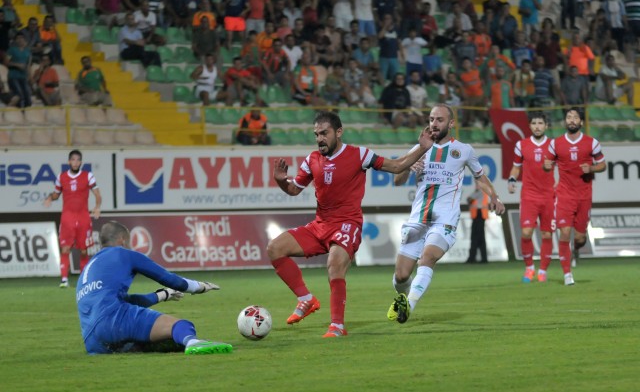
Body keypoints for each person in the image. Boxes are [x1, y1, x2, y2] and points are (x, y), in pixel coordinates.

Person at [268, 111, 434, 337]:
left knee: (334, 263)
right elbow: (294, 190)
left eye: (324, 133)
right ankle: (306, 299)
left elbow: (396, 167)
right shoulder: (312, 160)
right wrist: (280, 181)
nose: (319, 139)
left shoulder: (360, 155)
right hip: (320, 225)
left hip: (347, 224)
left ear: (338, 132)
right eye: (316, 134)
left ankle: (337, 326)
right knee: (274, 248)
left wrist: (423, 147)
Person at [387, 103, 505, 324]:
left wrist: (495, 197)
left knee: (428, 257)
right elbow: (396, 179)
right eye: (431, 119)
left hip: (444, 220)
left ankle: (408, 307)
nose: (434, 124)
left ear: (451, 124)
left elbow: (480, 177)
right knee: (401, 276)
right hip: (418, 220)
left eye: (439, 120)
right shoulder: (419, 148)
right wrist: (409, 167)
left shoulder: (463, 150)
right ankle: (404, 296)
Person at [76, 221, 232, 355]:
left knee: (150, 343)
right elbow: (169, 279)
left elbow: (124, 301)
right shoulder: (124, 254)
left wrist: (161, 295)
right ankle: (193, 343)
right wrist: (199, 287)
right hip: (114, 321)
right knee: (182, 326)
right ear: (122, 240)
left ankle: (133, 346)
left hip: (92, 341)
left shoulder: (86, 271)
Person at [543, 108, 606, 285]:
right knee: (564, 232)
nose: (571, 120)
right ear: (565, 121)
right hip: (564, 195)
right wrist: (547, 166)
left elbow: (602, 165)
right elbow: (547, 165)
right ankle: (567, 275)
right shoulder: (556, 143)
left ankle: (576, 250)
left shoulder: (591, 143)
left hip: (584, 196)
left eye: (575, 117)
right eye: (569, 117)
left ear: (580, 122)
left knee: (579, 238)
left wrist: (592, 168)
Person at [43, 150, 102, 288]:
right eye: (73, 160)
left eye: (78, 160)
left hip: (83, 217)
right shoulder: (62, 177)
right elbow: (57, 194)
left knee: (83, 250)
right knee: (65, 248)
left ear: (81, 162)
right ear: (69, 162)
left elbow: (97, 194)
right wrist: (50, 198)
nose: (75, 162)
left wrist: (97, 206)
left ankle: (84, 280)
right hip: (67, 218)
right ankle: (64, 279)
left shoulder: (88, 176)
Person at [508, 113, 555, 283]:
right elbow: (516, 167)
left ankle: (543, 270)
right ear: (530, 126)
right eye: (534, 123)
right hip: (529, 195)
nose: (537, 126)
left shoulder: (553, 145)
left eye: (540, 123)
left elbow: (563, 167)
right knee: (527, 232)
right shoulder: (522, 145)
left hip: (549, 195)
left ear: (546, 126)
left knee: (547, 235)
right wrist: (512, 179)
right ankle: (529, 268)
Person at [466, 180, 489, 264]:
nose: (476, 186)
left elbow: (469, 199)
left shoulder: (480, 192)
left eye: (478, 184)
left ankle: (474, 258)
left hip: (480, 216)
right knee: (478, 238)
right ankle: (481, 258)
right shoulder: (481, 192)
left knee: (477, 238)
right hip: (477, 216)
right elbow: (469, 200)